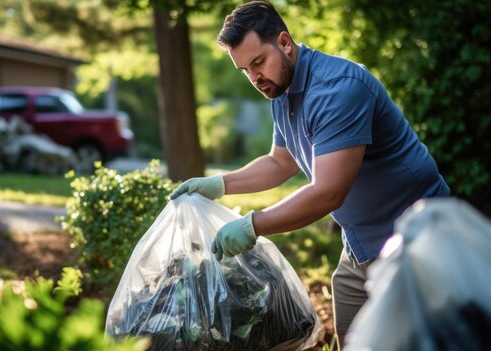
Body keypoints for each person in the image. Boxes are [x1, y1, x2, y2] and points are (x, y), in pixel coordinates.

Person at [170, 0, 450, 349]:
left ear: (284, 42)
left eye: (258, 62)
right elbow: (279, 163)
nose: (255, 78)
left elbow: (328, 193)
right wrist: (221, 184)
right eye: (245, 70)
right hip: (360, 244)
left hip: (414, 238)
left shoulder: (339, 89)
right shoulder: (280, 91)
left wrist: (253, 225)